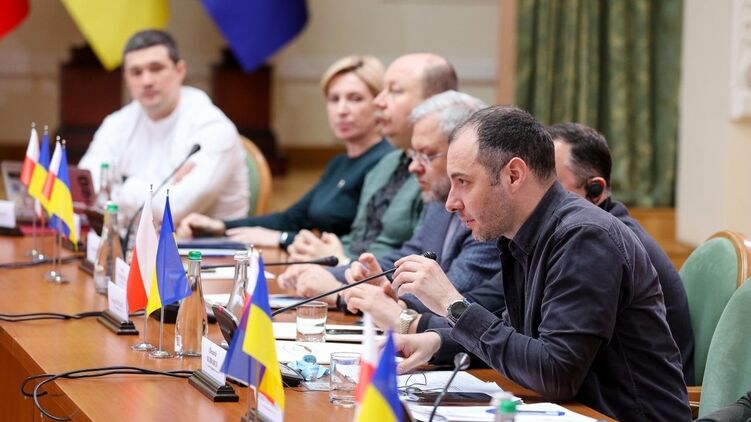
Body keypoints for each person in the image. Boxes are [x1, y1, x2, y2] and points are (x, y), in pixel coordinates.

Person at [389, 106, 691, 421]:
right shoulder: (524, 235)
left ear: (513, 175)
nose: (451, 203)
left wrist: (454, 305)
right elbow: (518, 336)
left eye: (463, 182)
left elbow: (556, 373)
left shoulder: (585, 237)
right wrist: (438, 341)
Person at [278, 91, 500, 312]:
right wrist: (333, 272)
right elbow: (406, 258)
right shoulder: (437, 202)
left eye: (426, 154)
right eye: (413, 154)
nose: (413, 167)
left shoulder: (490, 215)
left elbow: (448, 298)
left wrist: (341, 294)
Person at [176, 55, 393, 247]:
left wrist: (283, 239)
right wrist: (220, 226)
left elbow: (363, 243)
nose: (342, 110)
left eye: (355, 99)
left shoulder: (386, 163)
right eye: (334, 99)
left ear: (379, 103)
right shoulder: (339, 163)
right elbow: (291, 220)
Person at [549, 122, 695, 384]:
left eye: (552, 185)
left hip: (644, 395)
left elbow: (561, 363)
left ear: (594, 190)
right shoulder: (576, 234)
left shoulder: (601, 245)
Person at [284, 53, 458, 264]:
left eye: (394, 91)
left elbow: (422, 256)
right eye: (334, 99)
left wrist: (341, 263)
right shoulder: (386, 164)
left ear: (435, 102)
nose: (378, 102)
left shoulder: (443, 173)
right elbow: (357, 239)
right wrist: (320, 252)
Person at [79, 30, 248, 224]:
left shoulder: (214, 128)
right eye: (136, 72)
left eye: (156, 68)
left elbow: (172, 209)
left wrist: (122, 185)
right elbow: (84, 190)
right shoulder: (117, 123)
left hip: (207, 242)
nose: (147, 81)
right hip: (134, 239)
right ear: (126, 78)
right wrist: (162, 190)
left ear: (180, 71)